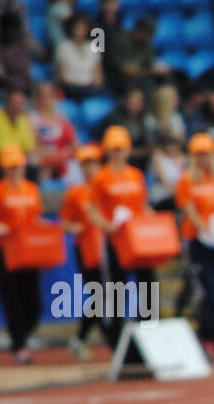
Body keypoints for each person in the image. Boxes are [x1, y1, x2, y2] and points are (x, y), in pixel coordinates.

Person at [87, 125, 156, 341]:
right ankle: (116, 337)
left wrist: (153, 220)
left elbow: (143, 205)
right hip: (116, 240)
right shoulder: (101, 178)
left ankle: (148, 330)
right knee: (116, 287)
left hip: (138, 239)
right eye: (114, 149)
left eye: (122, 148)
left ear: (128, 150)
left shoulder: (136, 175)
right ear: (107, 150)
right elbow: (93, 211)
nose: (118, 153)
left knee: (148, 283)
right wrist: (109, 227)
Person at [175, 133, 214, 361]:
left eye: (206, 154)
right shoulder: (186, 180)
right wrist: (208, 232)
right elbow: (189, 211)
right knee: (210, 292)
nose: (203, 159)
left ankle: (204, 335)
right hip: (198, 243)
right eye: (198, 155)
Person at [0, 144, 46, 364]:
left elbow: (37, 217)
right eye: (10, 167)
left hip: (28, 249)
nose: (15, 171)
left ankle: (21, 336)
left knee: (34, 302)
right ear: (4, 168)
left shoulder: (31, 189)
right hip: (5, 249)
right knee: (13, 299)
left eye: (18, 166)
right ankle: (19, 344)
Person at [59, 142, 108, 356]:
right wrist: (76, 226)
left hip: (108, 248)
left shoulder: (107, 187)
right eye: (85, 164)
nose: (89, 168)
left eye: (93, 163)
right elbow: (64, 222)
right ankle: (92, 338)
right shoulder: (75, 193)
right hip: (87, 249)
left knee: (107, 297)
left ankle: (83, 338)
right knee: (101, 295)